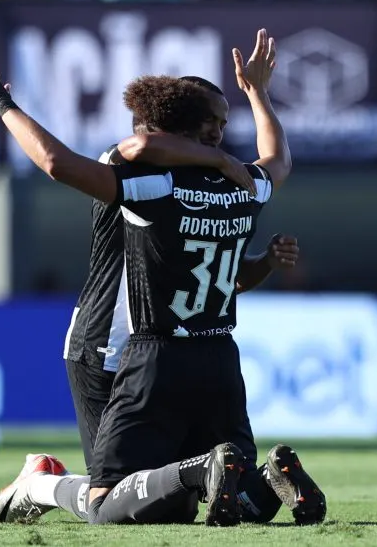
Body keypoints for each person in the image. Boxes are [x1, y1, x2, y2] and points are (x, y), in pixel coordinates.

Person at [0, 33, 325, 527]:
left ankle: (39, 484)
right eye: (213, 124)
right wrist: (251, 108)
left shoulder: (147, 181)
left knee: (125, 499)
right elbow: (270, 164)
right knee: (195, 492)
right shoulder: (237, 182)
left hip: (143, 347)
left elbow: (64, 162)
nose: (222, 133)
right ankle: (259, 483)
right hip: (149, 344)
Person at [62, 65, 300, 480]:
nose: (218, 133)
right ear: (175, 122)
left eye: (223, 124)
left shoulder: (204, 185)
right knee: (116, 492)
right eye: (208, 121)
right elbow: (137, 146)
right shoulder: (129, 172)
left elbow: (221, 284)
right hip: (106, 344)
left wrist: (265, 262)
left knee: (166, 495)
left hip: (161, 351)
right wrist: (222, 158)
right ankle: (40, 484)